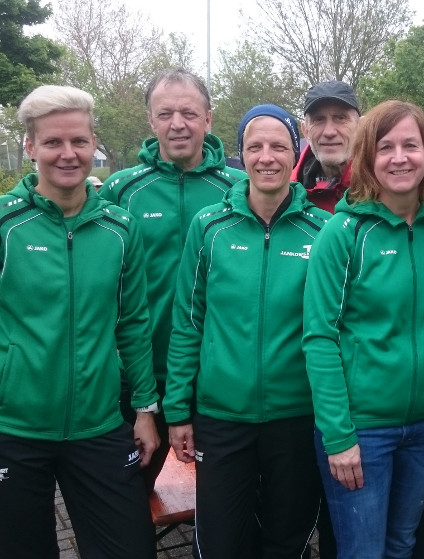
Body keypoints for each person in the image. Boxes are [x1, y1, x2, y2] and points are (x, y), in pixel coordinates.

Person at [0, 85, 159, 558]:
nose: (67, 154)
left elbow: (133, 322)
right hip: (14, 429)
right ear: (30, 146)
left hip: (100, 424)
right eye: (53, 142)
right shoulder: (6, 226)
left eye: (79, 141)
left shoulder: (120, 228)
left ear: (94, 144)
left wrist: (145, 410)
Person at [163, 104, 327, 558]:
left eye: (278, 146)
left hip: (297, 415)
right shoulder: (210, 227)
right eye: (255, 147)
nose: (266, 157)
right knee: (221, 540)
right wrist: (178, 411)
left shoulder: (323, 231)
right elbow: (188, 323)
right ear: (241, 153)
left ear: (295, 153)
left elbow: (336, 328)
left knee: (287, 538)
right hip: (223, 416)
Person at [302, 100, 424, 559]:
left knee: (402, 545)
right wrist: (338, 436)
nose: (399, 157)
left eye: (411, 145)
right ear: (368, 157)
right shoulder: (344, 233)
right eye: (385, 147)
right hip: (362, 430)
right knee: (362, 552)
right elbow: (320, 337)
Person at [99, 68, 247, 492]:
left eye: (189, 113)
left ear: (208, 118)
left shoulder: (239, 188)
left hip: (216, 378)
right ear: (151, 120)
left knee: (227, 499)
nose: (177, 124)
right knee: (127, 501)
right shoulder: (121, 190)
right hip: (138, 376)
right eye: (165, 114)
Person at [292, 80, 360, 212]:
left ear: (360, 127)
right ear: (306, 131)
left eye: (340, 118)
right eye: (318, 119)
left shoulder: (384, 186)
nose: (329, 132)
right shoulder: (288, 196)